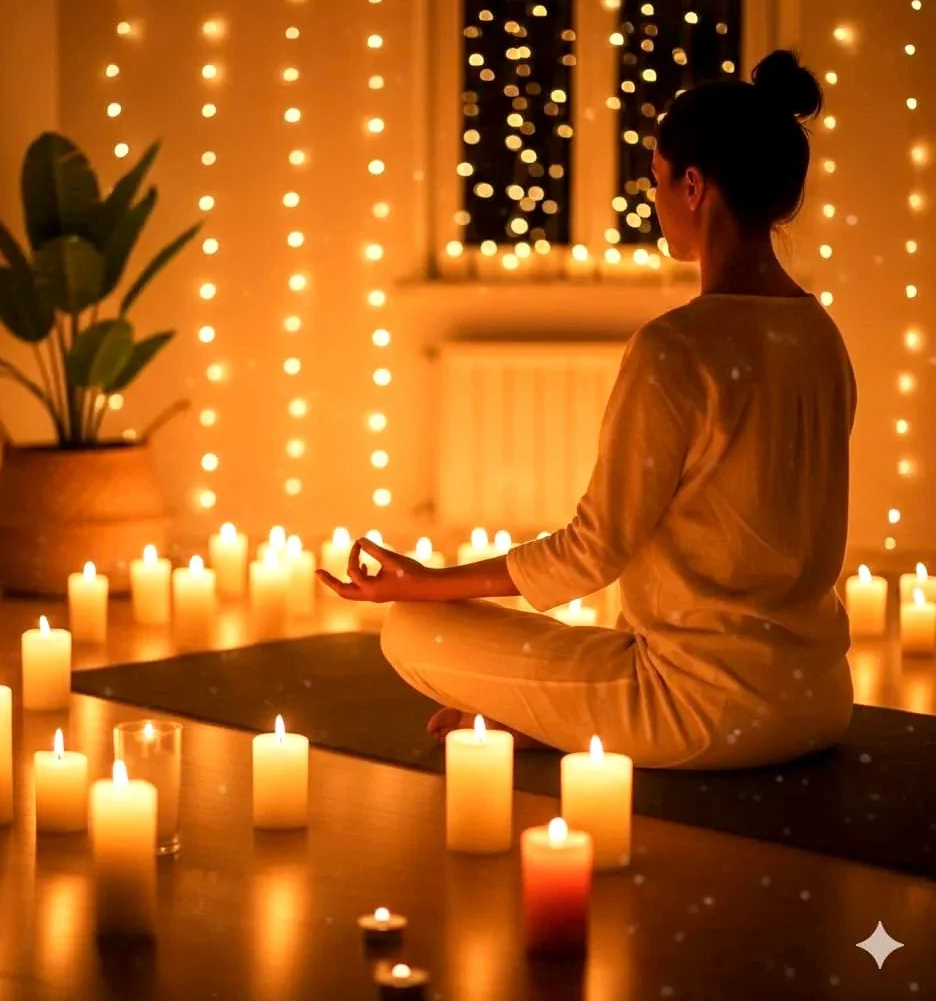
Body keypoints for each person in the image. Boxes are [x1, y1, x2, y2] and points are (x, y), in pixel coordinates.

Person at [317, 49, 856, 770]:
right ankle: (563, 716)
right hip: (818, 699)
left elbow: (591, 552)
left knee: (412, 632)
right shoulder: (821, 335)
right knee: (595, 645)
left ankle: (569, 718)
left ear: (693, 186)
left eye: (658, 182)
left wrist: (427, 584)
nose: (654, 200)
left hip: (700, 713)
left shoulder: (676, 347)